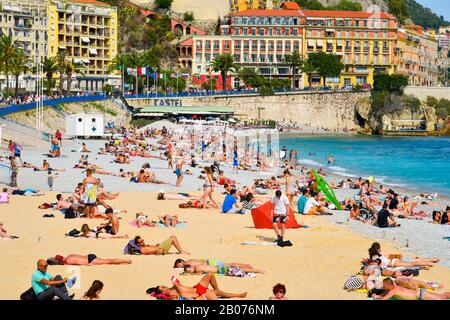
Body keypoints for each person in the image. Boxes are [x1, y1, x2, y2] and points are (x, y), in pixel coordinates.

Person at [148, 273, 247, 300]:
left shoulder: (172, 287)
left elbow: (181, 287)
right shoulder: (172, 293)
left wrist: (177, 283)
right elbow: (182, 293)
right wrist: (176, 284)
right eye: (163, 287)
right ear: (163, 292)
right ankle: (238, 295)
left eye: (163, 285)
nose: (165, 286)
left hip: (197, 287)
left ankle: (217, 290)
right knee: (218, 293)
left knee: (210, 274)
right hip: (199, 293)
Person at [374, 278, 450, 300]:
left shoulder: (393, 291)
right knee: (442, 295)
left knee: (442, 297)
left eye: (384, 285)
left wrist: (375, 297)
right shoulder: (394, 287)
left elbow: (384, 299)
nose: (383, 287)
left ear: (388, 285)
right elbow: (385, 293)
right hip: (420, 293)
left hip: (420, 295)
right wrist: (379, 295)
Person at [124, 235, 190, 255]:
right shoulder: (142, 249)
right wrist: (158, 250)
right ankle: (181, 251)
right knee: (173, 238)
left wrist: (156, 245)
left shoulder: (144, 246)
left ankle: (181, 251)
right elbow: (148, 252)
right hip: (161, 249)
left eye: (143, 240)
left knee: (172, 237)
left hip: (160, 247)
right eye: (141, 241)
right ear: (138, 244)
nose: (143, 242)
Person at [51, 254, 131, 265]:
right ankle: (125, 261)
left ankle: (126, 261)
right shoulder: (69, 256)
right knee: (108, 260)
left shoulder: (68, 261)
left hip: (90, 260)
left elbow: (80, 262)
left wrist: (89, 264)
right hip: (89, 256)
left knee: (109, 261)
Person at [173, 258, 254, 270]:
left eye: (179, 265)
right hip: (209, 262)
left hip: (210, 264)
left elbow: (195, 267)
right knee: (230, 264)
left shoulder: (187, 263)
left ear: (181, 262)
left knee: (230, 266)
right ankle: (246, 265)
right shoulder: (189, 260)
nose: (179, 267)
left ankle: (247, 266)